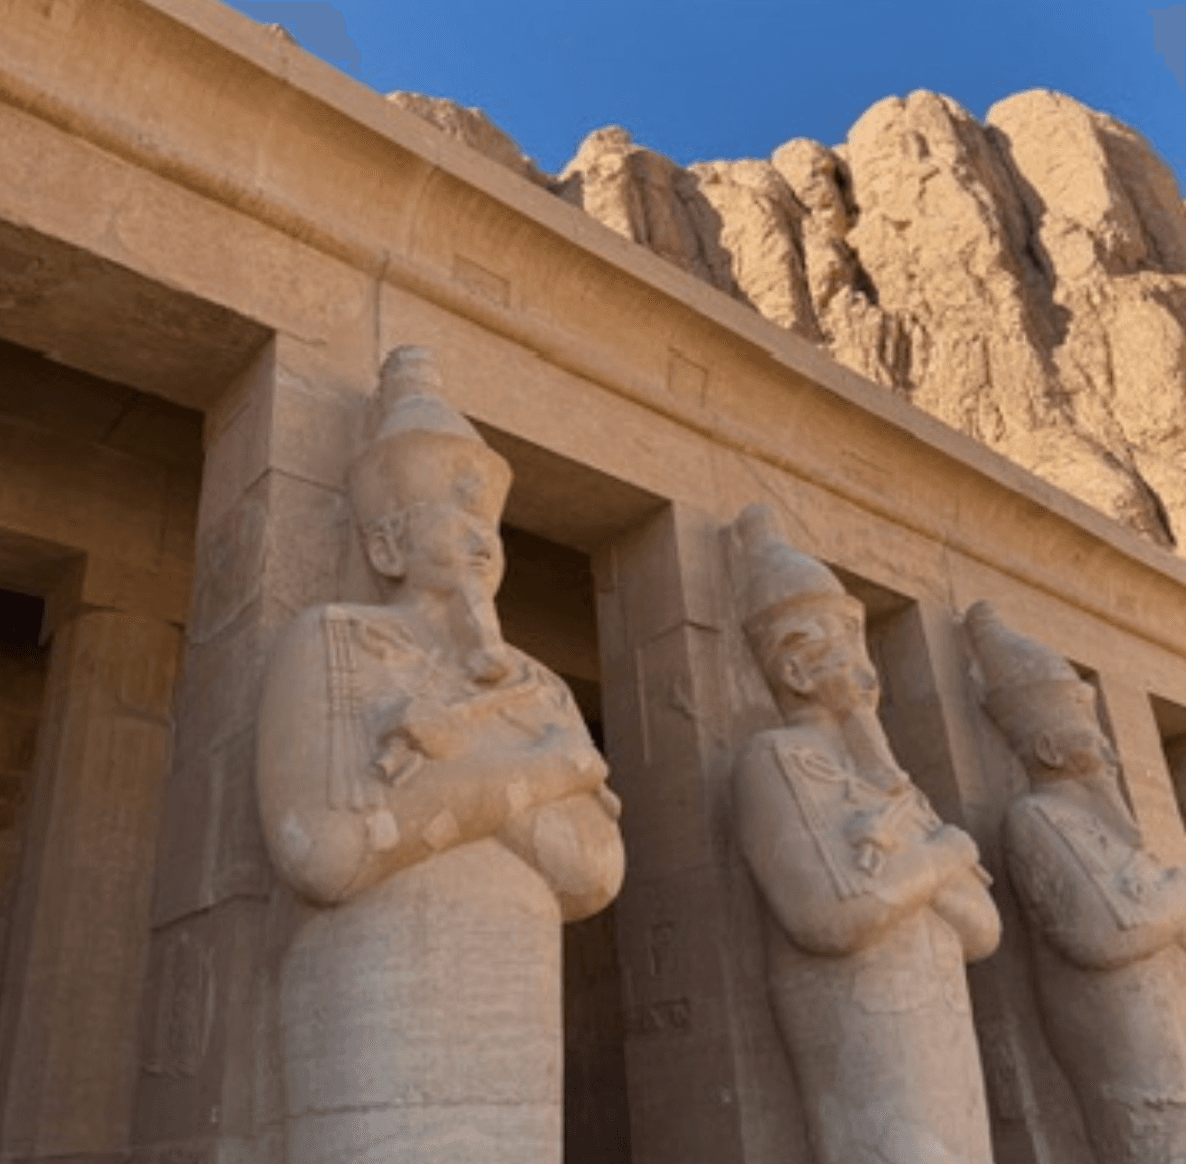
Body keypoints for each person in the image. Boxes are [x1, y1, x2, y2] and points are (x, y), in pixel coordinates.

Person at [257, 346, 624, 1164]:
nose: (480, 537)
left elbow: (596, 872)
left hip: (515, 994)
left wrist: (462, 777)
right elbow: (326, 851)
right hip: (371, 989)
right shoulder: (330, 641)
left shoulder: (536, 684)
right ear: (387, 546)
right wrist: (546, 775)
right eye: (453, 517)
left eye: (488, 523)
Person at [732, 505, 1000, 1164]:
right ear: (794, 673)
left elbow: (982, 929)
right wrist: (944, 855)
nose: (865, 670)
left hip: (941, 1029)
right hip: (864, 1029)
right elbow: (829, 915)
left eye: (859, 647)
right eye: (841, 650)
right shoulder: (776, 758)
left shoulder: (894, 784)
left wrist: (917, 867)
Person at [967, 601, 1186, 1164]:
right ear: (1048, 748)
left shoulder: (1104, 831)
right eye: (1089, 733)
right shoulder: (1039, 819)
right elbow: (1105, 933)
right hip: (1131, 1066)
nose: (1110, 752)